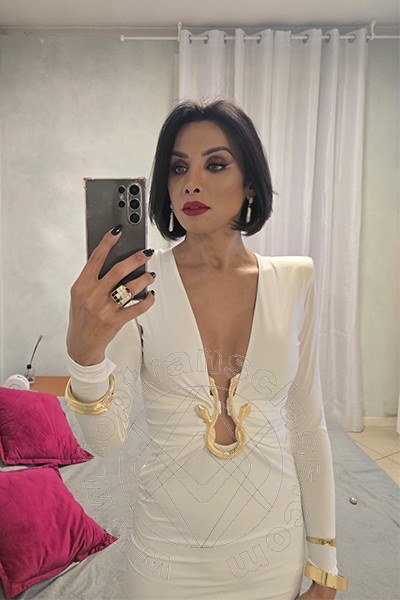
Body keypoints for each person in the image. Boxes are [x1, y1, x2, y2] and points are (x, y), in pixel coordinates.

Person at [65, 99, 348, 600]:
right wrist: (85, 358)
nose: (190, 183)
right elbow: (104, 441)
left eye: (215, 165)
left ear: (250, 183)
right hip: (164, 556)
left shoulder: (295, 280)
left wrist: (324, 565)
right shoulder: (141, 285)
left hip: (271, 549)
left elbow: (308, 424)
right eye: (178, 168)